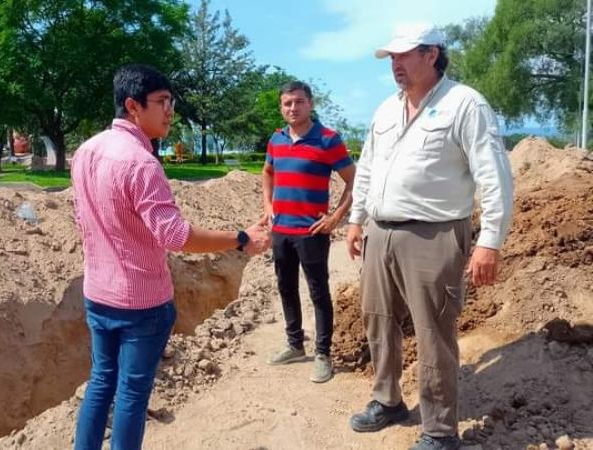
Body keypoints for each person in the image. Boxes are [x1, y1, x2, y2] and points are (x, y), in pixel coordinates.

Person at [71, 63, 270, 450]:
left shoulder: (86, 151)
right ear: (133, 106)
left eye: (171, 102)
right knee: (130, 394)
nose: (170, 112)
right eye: (162, 102)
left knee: (100, 382)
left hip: (97, 293)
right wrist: (241, 238)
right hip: (140, 302)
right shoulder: (141, 163)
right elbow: (176, 235)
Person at [345, 23, 514, 450]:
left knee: (433, 331)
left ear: (432, 54)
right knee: (378, 319)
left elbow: (494, 176)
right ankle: (387, 400)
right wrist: (356, 219)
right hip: (380, 233)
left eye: (404, 56)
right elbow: (366, 168)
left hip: (434, 234)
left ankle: (439, 429)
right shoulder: (386, 110)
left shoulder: (465, 104)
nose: (396, 65)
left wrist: (489, 240)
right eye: (392, 58)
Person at [262, 81, 356, 383]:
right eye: (287, 103)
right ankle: (294, 344)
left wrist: (336, 217)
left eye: (299, 102)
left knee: (318, 292)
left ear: (310, 104)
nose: (293, 108)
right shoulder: (276, 139)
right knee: (286, 287)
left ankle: (322, 353)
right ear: (281, 107)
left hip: (311, 232)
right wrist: (267, 204)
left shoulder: (328, 140)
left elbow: (355, 182)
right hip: (281, 230)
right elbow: (267, 172)